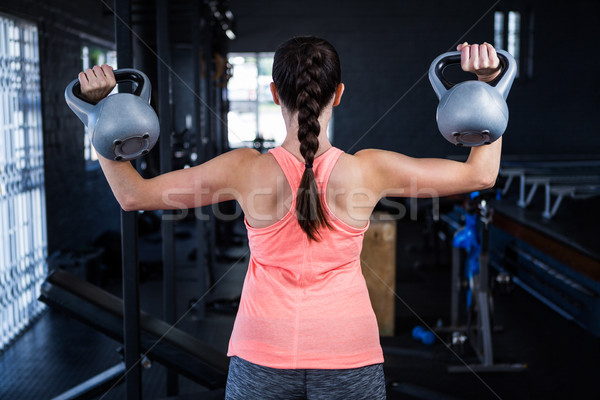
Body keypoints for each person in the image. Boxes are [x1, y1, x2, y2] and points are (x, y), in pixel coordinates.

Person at [78, 37, 502, 400]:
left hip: (260, 356)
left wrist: (101, 120)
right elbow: (480, 174)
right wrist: (489, 89)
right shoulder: (369, 169)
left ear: (274, 93)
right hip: (348, 357)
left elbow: (133, 196)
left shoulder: (244, 169)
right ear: (338, 93)